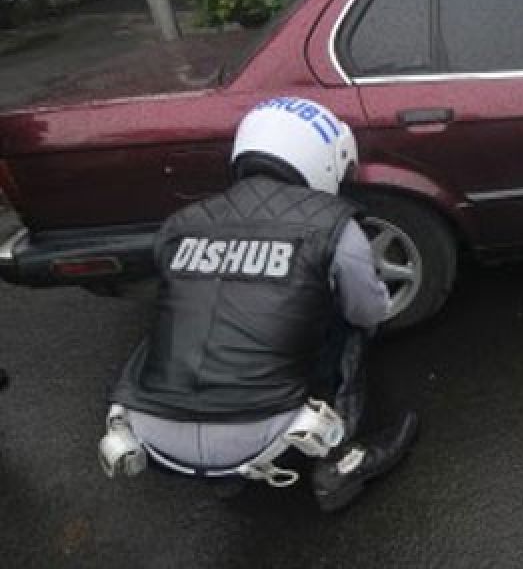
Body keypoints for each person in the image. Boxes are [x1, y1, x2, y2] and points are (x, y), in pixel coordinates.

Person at [99, 97, 418, 512]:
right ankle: (340, 461)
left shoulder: (181, 222)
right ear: (324, 158)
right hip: (271, 436)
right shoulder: (333, 226)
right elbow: (368, 312)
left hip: (151, 438)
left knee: (170, 321)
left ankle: (227, 478)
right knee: (350, 326)